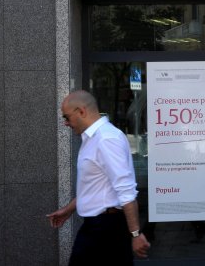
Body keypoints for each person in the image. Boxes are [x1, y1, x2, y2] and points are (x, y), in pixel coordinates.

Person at [47, 90, 150, 265]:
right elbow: (96, 187)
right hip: (97, 227)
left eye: (66, 117)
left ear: (81, 111)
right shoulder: (92, 139)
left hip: (107, 229)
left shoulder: (106, 139)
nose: (65, 123)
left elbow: (125, 190)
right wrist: (69, 209)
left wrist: (135, 234)